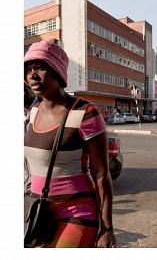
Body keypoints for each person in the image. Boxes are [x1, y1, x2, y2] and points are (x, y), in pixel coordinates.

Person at [24, 39, 116, 248]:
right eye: (29, 69)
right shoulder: (33, 112)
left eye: (40, 68)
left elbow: (101, 173)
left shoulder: (85, 112)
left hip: (77, 211)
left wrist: (107, 227)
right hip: (40, 212)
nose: (32, 75)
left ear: (57, 71)